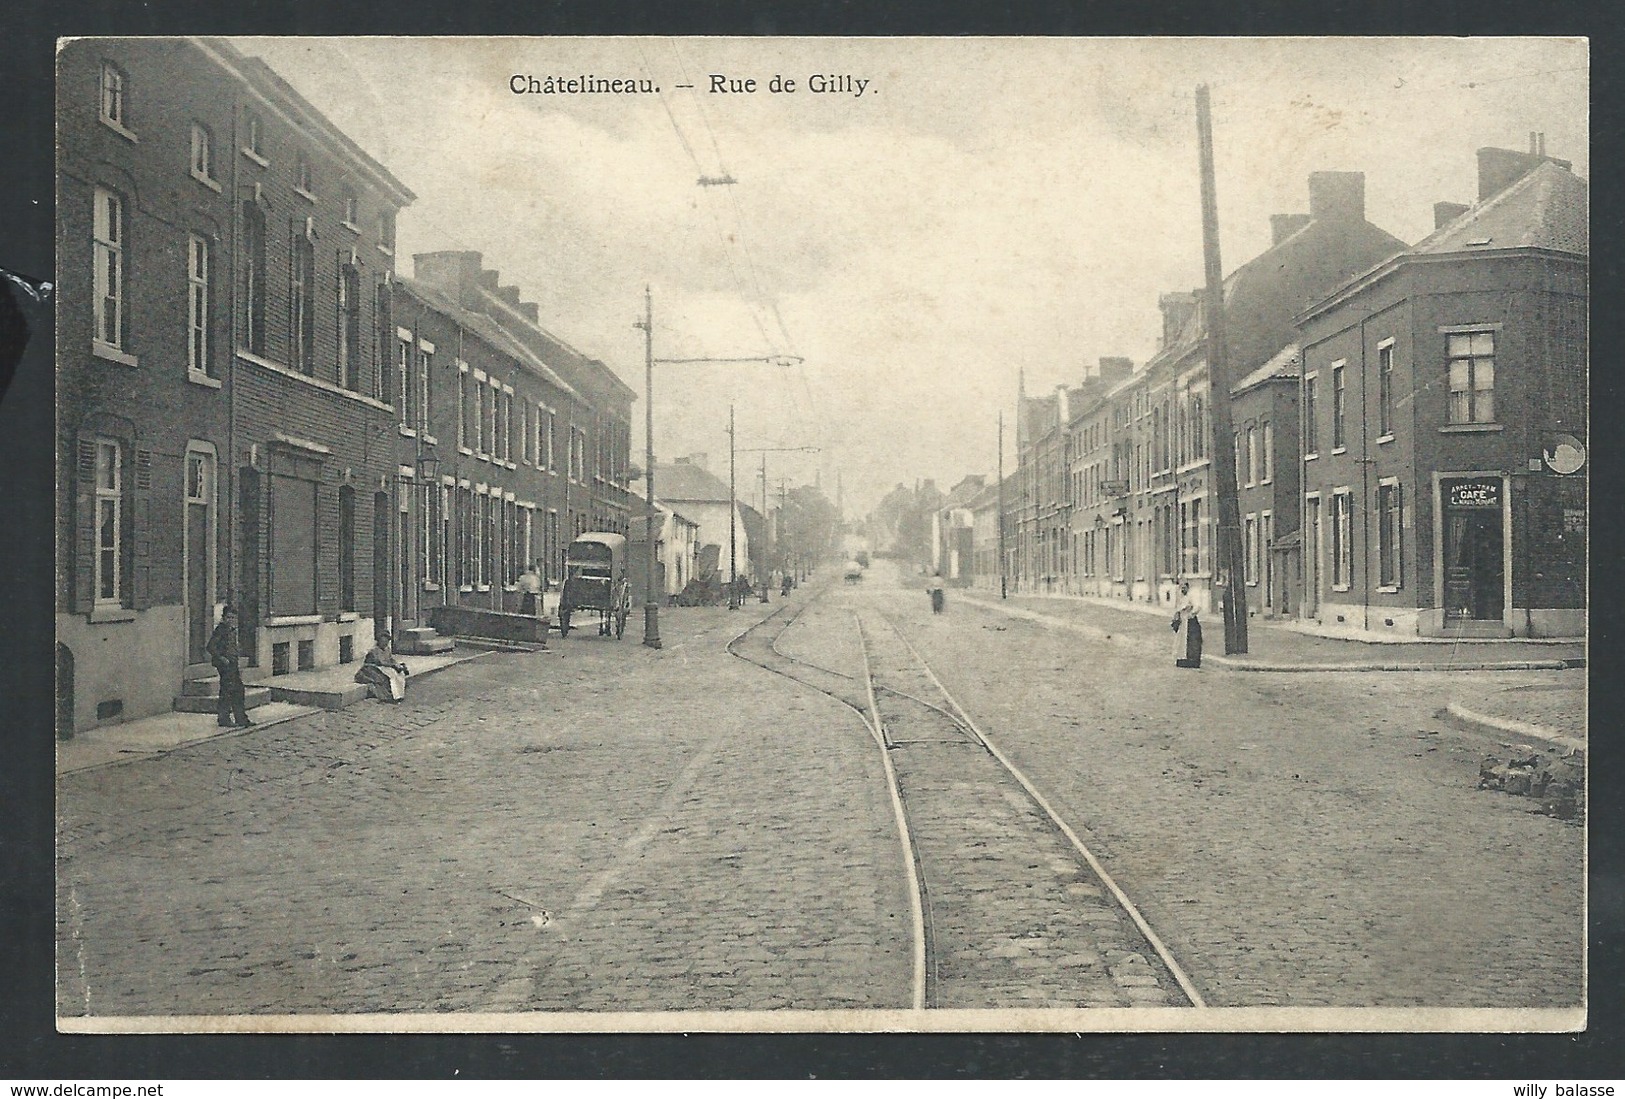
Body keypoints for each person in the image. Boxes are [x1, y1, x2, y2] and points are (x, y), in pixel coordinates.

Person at [205, 605, 254, 727]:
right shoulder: (220, 630)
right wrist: (222, 658)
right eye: (228, 617)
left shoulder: (232, 630)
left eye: (233, 618)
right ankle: (225, 719)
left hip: (233, 664)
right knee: (228, 691)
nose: (230, 620)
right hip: (225, 665)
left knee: (237, 690)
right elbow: (210, 646)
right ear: (223, 618)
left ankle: (239, 719)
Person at [355, 630, 410, 702]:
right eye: (383, 642)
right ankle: (389, 696)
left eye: (386, 642)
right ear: (378, 641)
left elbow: (390, 659)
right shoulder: (374, 650)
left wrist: (397, 664)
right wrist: (393, 665)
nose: (385, 644)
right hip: (371, 668)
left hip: (383, 667)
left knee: (398, 674)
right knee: (385, 678)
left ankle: (398, 694)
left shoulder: (387, 649)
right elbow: (381, 662)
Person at [1172, 581, 1203, 669]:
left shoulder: (1192, 596)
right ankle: (1182, 659)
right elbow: (1178, 608)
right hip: (1183, 622)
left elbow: (1197, 606)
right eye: (1181, 587)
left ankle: (1192, 660)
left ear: (1187, 587)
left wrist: (1191, 614)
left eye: (1184, 587)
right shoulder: (1182, 597)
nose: (1182, 589)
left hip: (1190, 621)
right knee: (1181, 641)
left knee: (1191, 640)